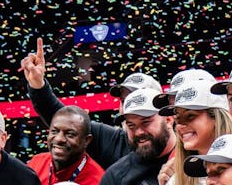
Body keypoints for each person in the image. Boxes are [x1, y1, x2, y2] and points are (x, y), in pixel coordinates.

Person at [20, 38, 146, 167]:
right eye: (124, 100)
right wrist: (38, 84)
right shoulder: (110, 140)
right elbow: (60, 117)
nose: (130, 106)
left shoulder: (167, 155)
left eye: (139, 99)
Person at [157, 80, 232, 185]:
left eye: (191, 116)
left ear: (216, 118)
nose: (181, 125)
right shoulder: (175, 184)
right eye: (178, 119)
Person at [90, 89, 177, 185]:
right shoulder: (115, 177)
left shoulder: (193, 160)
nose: (138, 132)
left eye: (146, 122)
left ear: (168, 120)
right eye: (131, 125)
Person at [25, 106, 105, 185]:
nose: (59, 139)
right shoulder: (36, 163)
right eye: (54, 131)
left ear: (87, 140)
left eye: (70, 134)